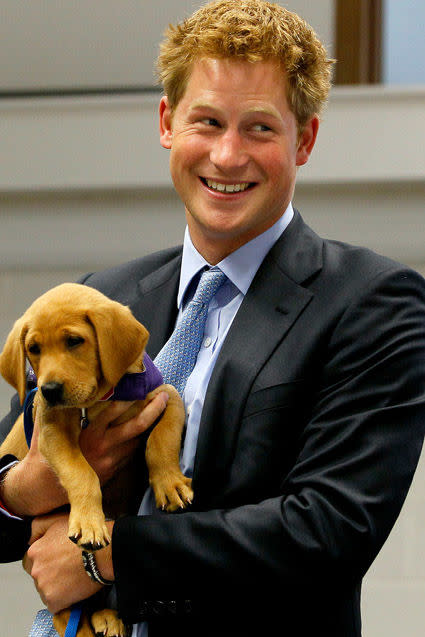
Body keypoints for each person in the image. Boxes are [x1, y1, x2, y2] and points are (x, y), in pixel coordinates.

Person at [1, 1, 425, 635]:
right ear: (168, 122)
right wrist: (24, 491)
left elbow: (329, 530)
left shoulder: (375, 304)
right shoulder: (100, 300)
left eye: (259, 128)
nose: (227, 156)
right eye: (208, 121)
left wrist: (108, 556)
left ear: (303, 140)